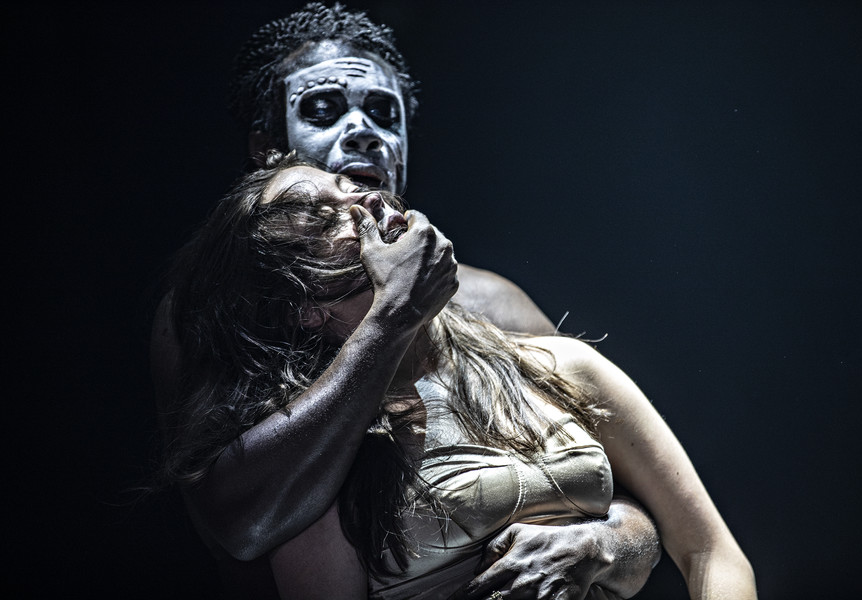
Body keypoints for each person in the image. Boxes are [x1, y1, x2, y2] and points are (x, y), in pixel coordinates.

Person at [150, 3, 660, 596]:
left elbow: (630, 493)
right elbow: (240, 531)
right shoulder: (214, 313)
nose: (363, 130)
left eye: (383, 113)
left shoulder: (491, 300)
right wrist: (393, 315)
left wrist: (600, 543)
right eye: (323, 109)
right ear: (268, 148)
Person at [161, 153, 756, 599]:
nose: (364, 200)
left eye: (351, 186)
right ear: (302, 306)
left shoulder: (558, 366)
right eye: (320, 217)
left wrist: (604, 543)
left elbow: (709, 552)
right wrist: (395, 310)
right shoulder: (321, 464)